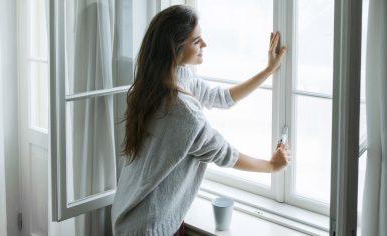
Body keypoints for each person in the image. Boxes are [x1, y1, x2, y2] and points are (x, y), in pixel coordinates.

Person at [111, 5, 290, 236]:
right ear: (174, 48)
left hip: (128, 214)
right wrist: (272, 166)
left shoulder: (161, 81)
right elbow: (225, 154)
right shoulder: (184, 114)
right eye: (196, 41)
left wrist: (268, 71)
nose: (204, 45)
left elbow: (221, 98)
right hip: (148, 227)